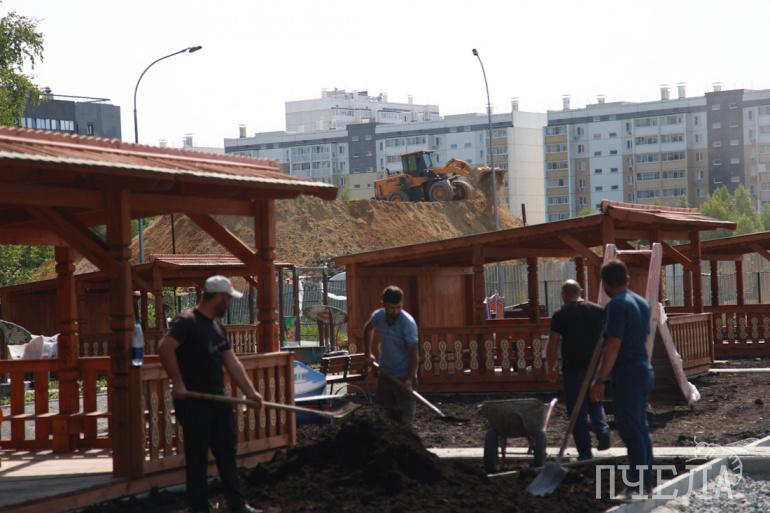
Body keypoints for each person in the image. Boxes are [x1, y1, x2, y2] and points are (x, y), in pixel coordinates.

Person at [158, 275, 262, 513]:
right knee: (197, 458)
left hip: (218, 398)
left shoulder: (217, 326)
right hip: (194, 400)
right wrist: (178, 383)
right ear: (220, 297)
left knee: (227, 452)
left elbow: (231, 361)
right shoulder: (187, 321)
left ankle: (237, 506)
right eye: (228, 299)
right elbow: (165, 348)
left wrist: (250, 392)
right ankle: (199, 508)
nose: (229, 304)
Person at [589, 260, 654, 496]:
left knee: (630, 429)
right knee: (640, 427)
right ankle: (646, 481)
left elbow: (614, 344)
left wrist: (600, 380)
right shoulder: (641, 303)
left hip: (627, 374)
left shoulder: (616, 306)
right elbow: (643, 337)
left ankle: (636, 484)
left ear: (604, 283)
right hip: (643, 370)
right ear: (627, 278)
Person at [547, 279, 611, 460]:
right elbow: (608, 339)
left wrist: (551, 367)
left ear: (564, 294)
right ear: (580, 291)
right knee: (595, 400)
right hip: (594, 367)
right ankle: (602, 429)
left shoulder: (561, 314)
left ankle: (585, 453)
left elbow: (553, 344)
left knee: (577, 412)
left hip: (573, 368)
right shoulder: (598, 310)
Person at [363, 285, 419, 425]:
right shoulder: (379, 316)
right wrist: (368, 353)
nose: (395, 311)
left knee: (405, 420)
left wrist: (409, 379)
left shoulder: (408, 323)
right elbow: (368, 329)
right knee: (383, 416)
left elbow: (414, 354)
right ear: (383, 304)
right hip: (385, 373)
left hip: (404, 376)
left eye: (398, 307)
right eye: (391, 308)